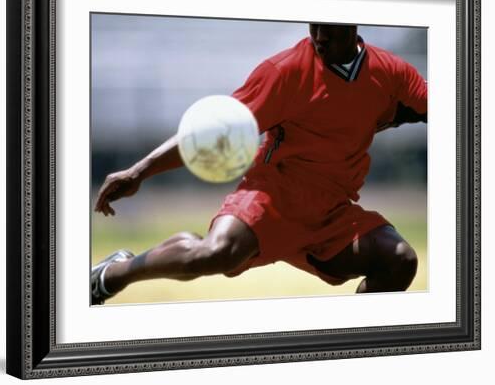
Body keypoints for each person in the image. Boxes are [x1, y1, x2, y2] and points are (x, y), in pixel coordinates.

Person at [91, 23, 427, 305]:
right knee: (215, 253)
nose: (320, 35)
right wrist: (139, 171)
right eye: (314, 24)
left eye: (330, 25)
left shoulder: (390, 72)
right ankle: (115, 272)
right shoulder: (284, 71)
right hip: (273, 196)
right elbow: (209, 133)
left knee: (398, 261)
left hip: (332, 212)